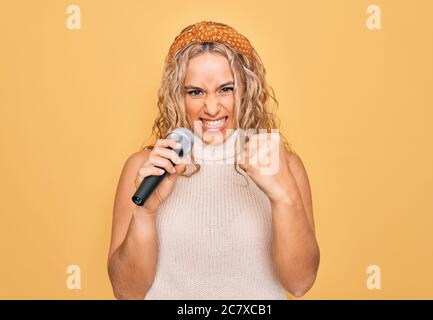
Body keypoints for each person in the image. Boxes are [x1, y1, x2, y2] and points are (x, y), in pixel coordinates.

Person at [107, 21, 320, 300]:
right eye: (195, 92)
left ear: (247, 89)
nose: (211, 107)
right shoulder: (144, 168)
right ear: (177, 96)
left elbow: (300, 283)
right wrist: (144, 215)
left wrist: (285, 197)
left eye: (225, 89)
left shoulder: (284, 166)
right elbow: (126, 291)